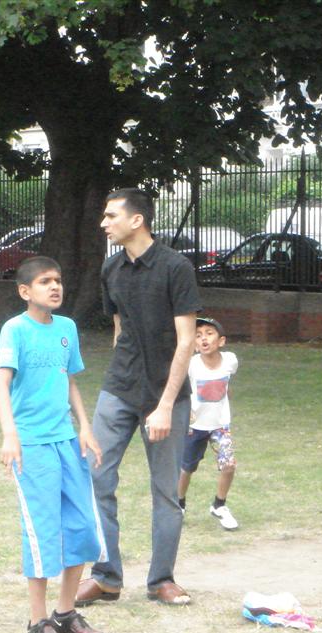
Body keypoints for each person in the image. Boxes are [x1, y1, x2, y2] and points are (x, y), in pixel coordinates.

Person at [76, 188, 201, 608]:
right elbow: (119, 331)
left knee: (165, 489)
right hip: (119, 389)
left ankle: (161, 579)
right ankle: (106, 577)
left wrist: (164, 404)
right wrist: (121, 376)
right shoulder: (111, 268)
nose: (103, 223)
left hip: (166, 395)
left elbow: (186, 342)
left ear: (137, 221)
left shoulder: (175, 267)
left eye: (111, 215)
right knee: (96, 476)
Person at [0, 256, 110, 633]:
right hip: (32, 445)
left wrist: (85, 426)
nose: (55, 287)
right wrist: (10, 434)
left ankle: (65, 613)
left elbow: (69, 380)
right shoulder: (16, 330)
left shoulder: (67, 329)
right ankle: (37, 621)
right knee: (42, 532)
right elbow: (0, 383)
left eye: (58, 280)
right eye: (45, 282)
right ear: (26, 291)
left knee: (80, 527)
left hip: (65, 442)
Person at [177, 317, 239, 531]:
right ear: (194, 343)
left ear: (221, 341)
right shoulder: (190, 364)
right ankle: (179, 504)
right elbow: (180, 390)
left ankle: (219, 505)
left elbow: (227, 384)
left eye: (209, 333)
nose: (204, 338)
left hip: (220, 425)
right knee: (186, 469)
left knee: (228, 465)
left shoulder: (230, 360)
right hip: (194, 428)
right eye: (198, 334)